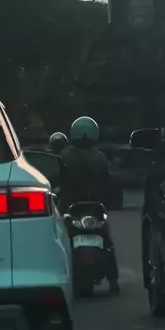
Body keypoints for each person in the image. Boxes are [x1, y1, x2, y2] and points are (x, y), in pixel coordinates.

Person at [61, 116, 120, 294]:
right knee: (106, 240)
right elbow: (109, 183)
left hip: (72, 207)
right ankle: (113, 281)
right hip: (95, 207)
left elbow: (56, 178)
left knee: (63, 239)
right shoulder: (100, 156)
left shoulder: (65, 156)